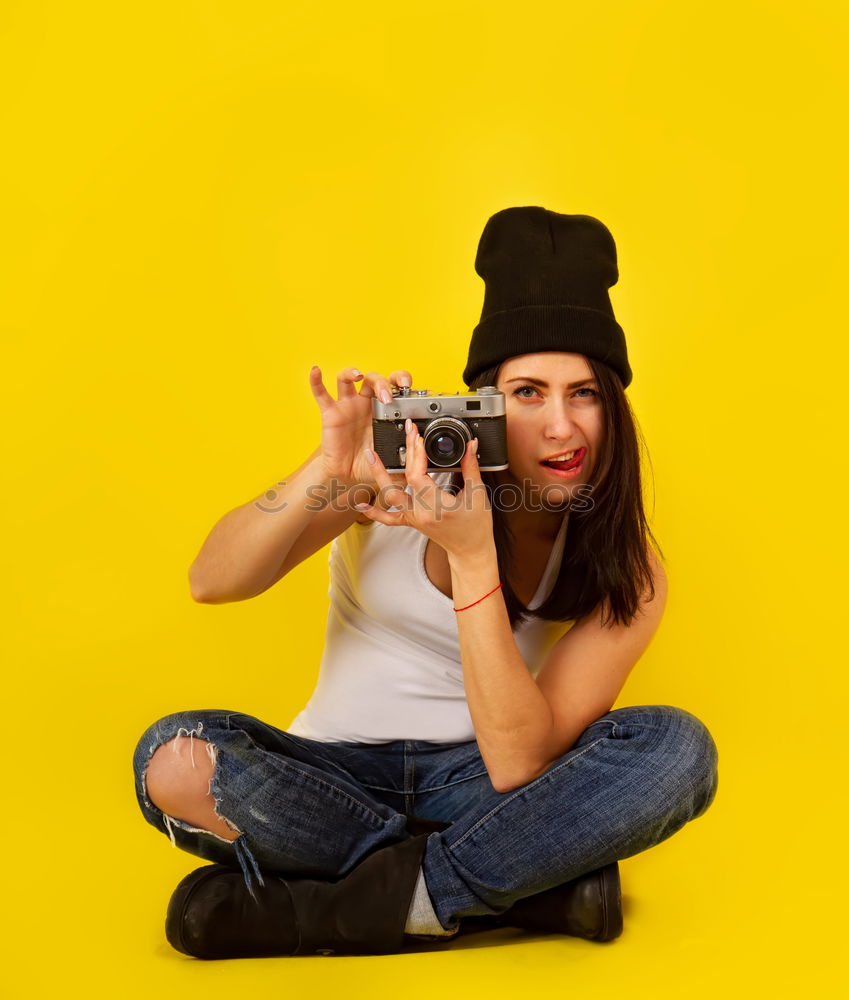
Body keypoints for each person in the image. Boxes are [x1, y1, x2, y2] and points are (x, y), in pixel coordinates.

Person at [133, 207, 718, 959]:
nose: (561, 427)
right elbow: (211, 580)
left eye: (585, 393)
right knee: (172, 756)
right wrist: (328, 469)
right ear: (481, 408)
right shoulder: (395, 474)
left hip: (485, 783)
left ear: (614, 407)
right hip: (329, 780)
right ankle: (515, 883)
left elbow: (516, 763)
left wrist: (475, 559)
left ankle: (338, 910)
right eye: (528, 392)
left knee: (677, 749)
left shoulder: (626, 566)